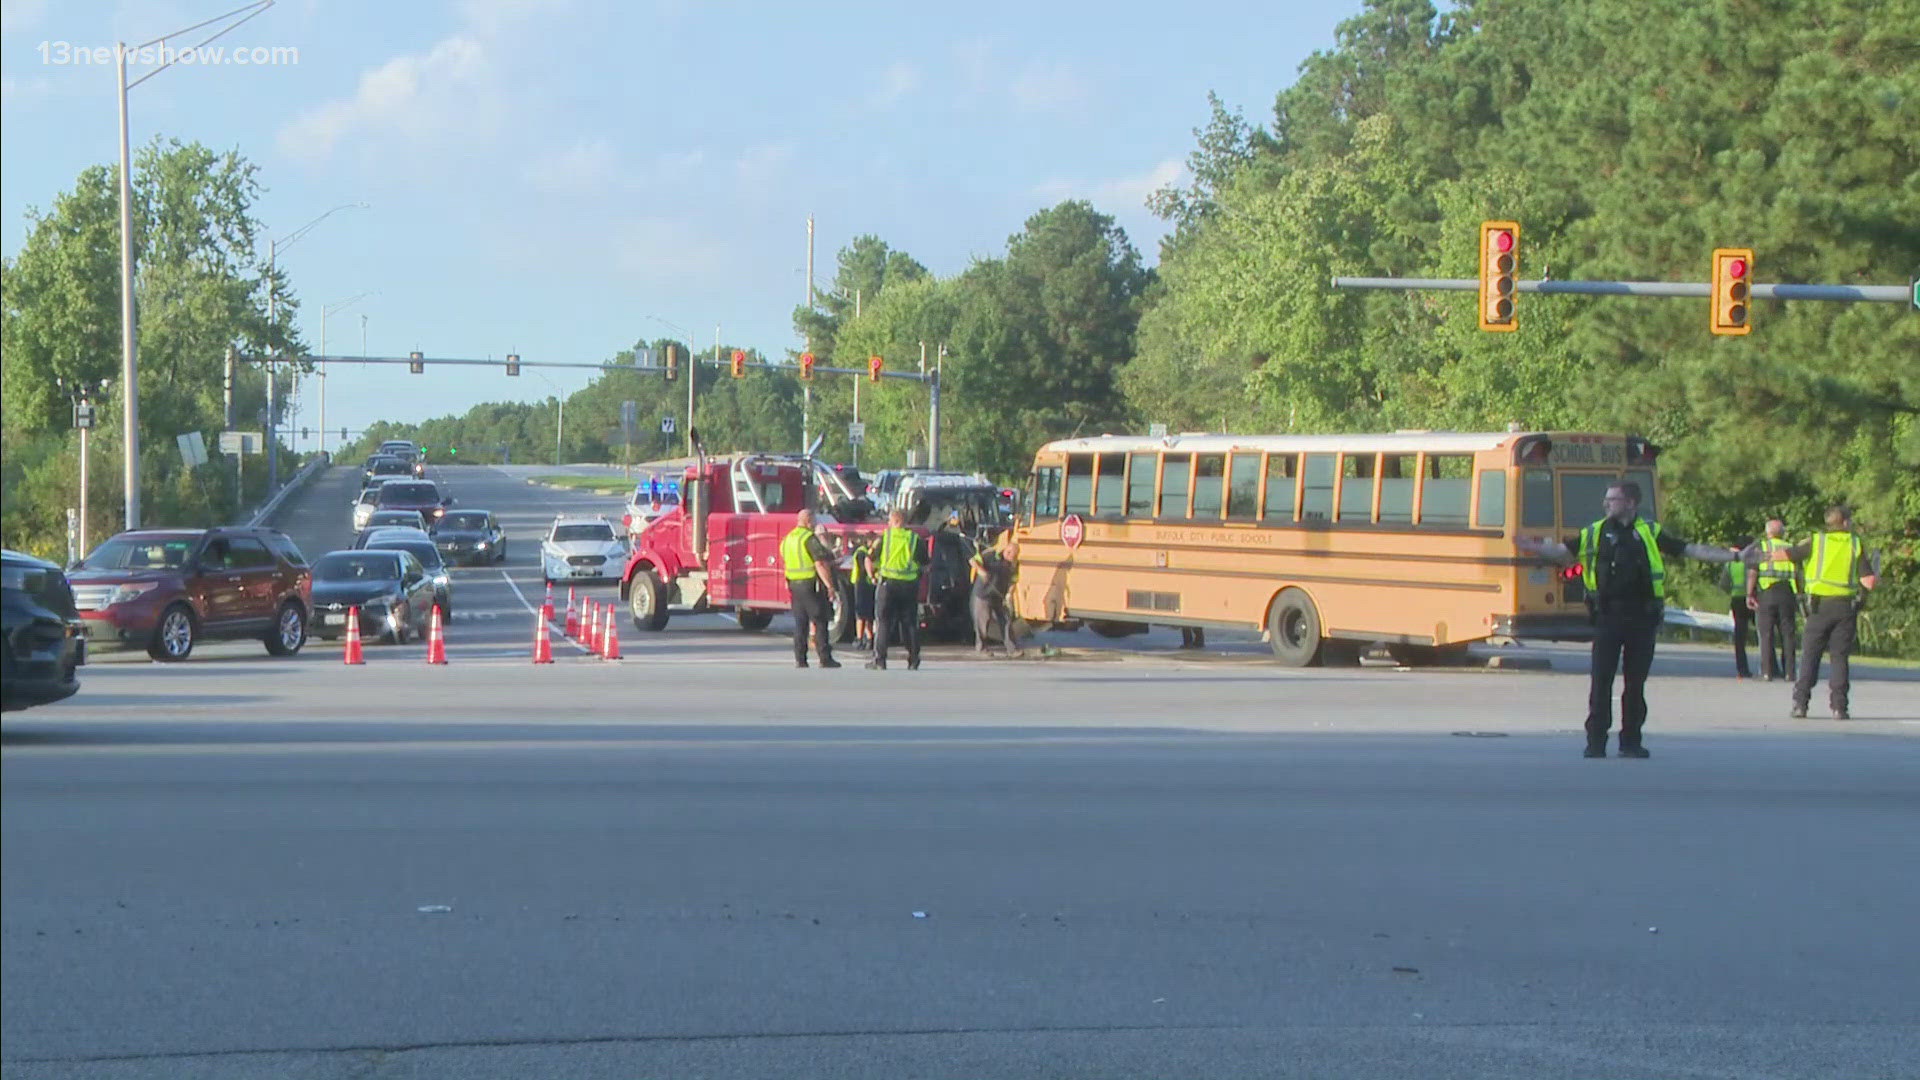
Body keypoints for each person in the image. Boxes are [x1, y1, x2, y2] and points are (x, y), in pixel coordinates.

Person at [1517, 481, 1737, 759]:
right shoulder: (1595, 533)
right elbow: (1562, 553)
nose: (1607, 503)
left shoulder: (1649, 532)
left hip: (1642, 618)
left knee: (1635, 683)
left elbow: (1692, 550)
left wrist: (1736, 556)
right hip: (1607, 617)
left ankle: (1630, 742)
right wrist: (1532, 547)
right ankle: (1595, 742)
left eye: (1613, 499)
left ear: (1631, 503)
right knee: (1601, 681)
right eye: (1606, 498)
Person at [1775, 507, 1880, 719]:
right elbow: (1868, 582)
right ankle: (1839, 707)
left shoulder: (1816, 541)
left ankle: (1800, 704)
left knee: (1810, 656)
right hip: (1845, 607)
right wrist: (1876, 576)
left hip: (1818, 607)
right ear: (1845, 523)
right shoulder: (1855, 544)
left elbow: (1784, 555)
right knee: (1839, 658)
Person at [780, 509, 840, 669]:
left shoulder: (788, 539)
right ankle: (825, 658)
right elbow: (819, 563)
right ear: (808, 521)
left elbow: (785, 561)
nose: (814, 523)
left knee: (800, 623)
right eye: (813, 520)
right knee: (820, 620)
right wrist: (830, 586)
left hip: (794, 585)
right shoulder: (809, 538)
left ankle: (800, 659)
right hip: (810, 585)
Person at [868, 508, 925, 670]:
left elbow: (870, 559)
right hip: (909, 586)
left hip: (887, 585)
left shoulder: (885, 538)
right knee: (909, 623)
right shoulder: (914, 539)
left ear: (896, 522)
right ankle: (913, 659)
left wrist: (873, 576)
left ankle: (879, 660)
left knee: (883, 622)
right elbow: (926, 564)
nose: (888, 523)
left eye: (889, 521)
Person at [1745, 518, 1801, 681]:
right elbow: (1798, 574)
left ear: (1767, 532)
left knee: (1766, 633)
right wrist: (1800, 594)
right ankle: (1790, 672)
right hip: (1787, 593)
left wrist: (1749, 594)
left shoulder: (1761, 547)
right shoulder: (1791, 548)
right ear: (1782, 533)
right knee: (1788, 634)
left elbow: (1753, 572)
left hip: (1767, 593)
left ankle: (1767, 671)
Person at [969, 537, 1021, 657]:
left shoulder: (1014, 564)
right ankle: (982, 648)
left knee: (1006, 620)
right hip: (983, 594)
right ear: (1006, 550)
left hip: (999, 595)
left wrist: (1009, 594)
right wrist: (981, 571)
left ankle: (1012, 649)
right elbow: (973, 560)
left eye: (1014, 555)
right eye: (1010, 553)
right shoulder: (992, 555)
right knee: (983, 621)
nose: (1011, 557)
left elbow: (1014, 580)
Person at [1722, 536, 1756, 678]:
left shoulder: (1730, 563)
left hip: (1736, 598)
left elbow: (1723, 584)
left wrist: (1731, 591)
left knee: (1740, 636)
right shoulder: (1752, 561)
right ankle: (1770, 666)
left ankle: (1742, 669)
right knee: (1765, 634)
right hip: (1754, 598)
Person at [850, 538, 877, 651]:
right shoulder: (863, 552)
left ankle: (862, 639)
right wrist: (872, 577)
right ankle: (867, 639)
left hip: (862, 584)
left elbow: (867, 563)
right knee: (865, 614)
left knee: (862, 614)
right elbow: (867, 563)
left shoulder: (862, 552)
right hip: (864, 583)